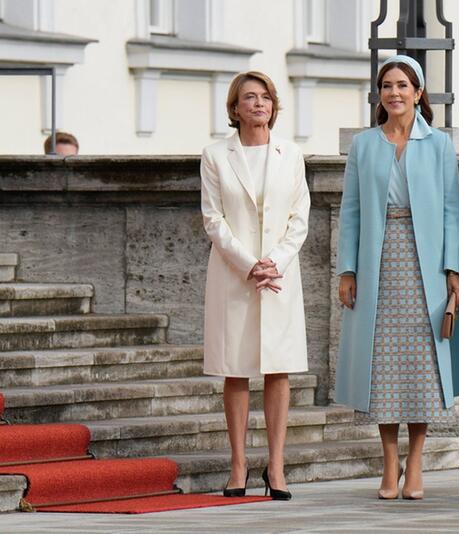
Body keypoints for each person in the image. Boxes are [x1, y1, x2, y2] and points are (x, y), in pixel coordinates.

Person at [335, 55, 459, 501]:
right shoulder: (364, 145)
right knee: (382, 365)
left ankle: (416, 461)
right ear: (380, 95)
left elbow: (453, 210)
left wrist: (454, 269)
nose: (394, 92)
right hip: (377, 262)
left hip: (425, 265)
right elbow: (351, 210)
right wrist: (347, 269)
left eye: (403, 85)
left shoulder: (438, 144)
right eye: (387, 85)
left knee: (421, 367)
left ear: (418, 92)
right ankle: (389, 462)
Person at [200, 71, 310, 501]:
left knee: (278, 367)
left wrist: (275, 262)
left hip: (280, 275)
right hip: (233, 274)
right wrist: (249, 265)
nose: (259, 104)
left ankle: (277, 467)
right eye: (250, 97)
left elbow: (300, 216)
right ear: (235, 108)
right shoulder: (215, 155)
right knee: (236, 367)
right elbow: (213, 218)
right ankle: (239, 465)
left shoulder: (291, 154)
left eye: (265, 97)